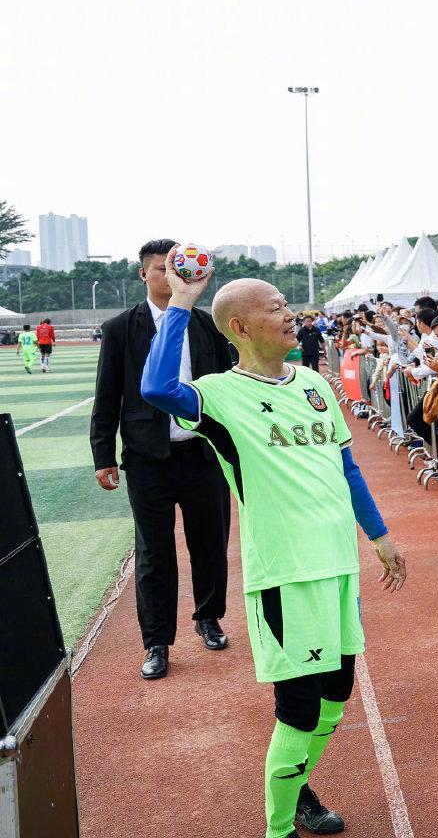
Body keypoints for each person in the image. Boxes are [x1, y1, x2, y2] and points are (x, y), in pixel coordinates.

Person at [138, 259, 407, 838]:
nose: (289, 314)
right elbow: (156, 388)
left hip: (339, 567)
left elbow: (346, 467)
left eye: (287, 303)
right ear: (239, 327)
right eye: (275, 307)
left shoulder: (313, 384)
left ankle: (299, 787)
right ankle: (278, 829)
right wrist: (181, 301)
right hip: (286, 574)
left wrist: (379, 536)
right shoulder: (218, 395)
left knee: (335, 697)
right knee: (299, 710)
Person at [90, 238, 236, 679]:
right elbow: (107, 394)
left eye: (177, 269)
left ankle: (208, 617)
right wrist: (103, 454)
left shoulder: (207, 324)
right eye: (161, 269)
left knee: (209, 542)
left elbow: (230, 385)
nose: (171, 276)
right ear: (144, 275)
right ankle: (156, 641)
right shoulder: (121, 328)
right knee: (153, 552)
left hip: (203, 454)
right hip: (147, 457)